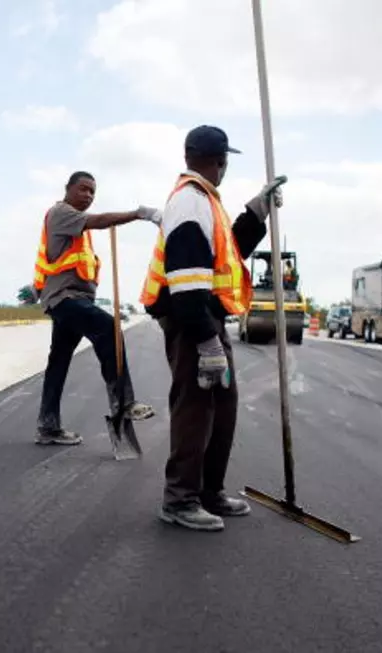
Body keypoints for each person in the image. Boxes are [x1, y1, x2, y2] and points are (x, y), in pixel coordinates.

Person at [139, 125, 286, 531]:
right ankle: (180, 499)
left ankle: (208, 491)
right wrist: (207, 342)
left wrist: (258, 212)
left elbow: (230, 251)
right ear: (221, 161)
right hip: (192, 320)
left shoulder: (205, 200)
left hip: (204, 315)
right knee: (196, 407)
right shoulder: (189, 203)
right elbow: (186, 284)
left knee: (222, 405)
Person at [22, 171, 162, 446]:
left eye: (92, 192)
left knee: (58, 362)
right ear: (68, 189)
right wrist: (138, 213)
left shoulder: (76, 229)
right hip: (65, 299)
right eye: (83, 189)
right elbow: (99, 221)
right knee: (108, 328)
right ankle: (123, 402)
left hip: (70, 300)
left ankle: (48, 427)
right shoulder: (62, 213)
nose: (88, 195)